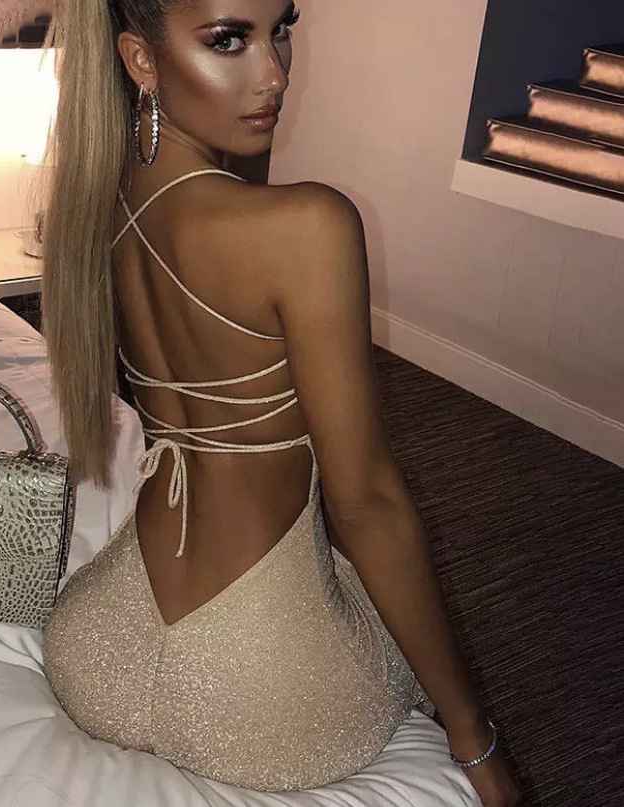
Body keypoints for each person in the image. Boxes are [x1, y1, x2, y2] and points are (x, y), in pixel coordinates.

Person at [40, 0, 521, 802]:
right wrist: (475, 740)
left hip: (100, 643)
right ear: (141, 60)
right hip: (262, 695)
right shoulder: (306, 226)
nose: (275, 75)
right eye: (229, 39)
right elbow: (366, 502)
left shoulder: (98, 195)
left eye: (282, 30)